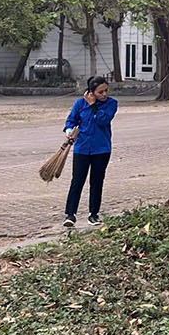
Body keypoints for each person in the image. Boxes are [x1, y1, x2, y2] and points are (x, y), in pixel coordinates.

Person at [63, 76, 118, 228]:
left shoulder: (111, 104)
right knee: (77, 180)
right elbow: (71, 120)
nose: (104, 94)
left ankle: (93, 214)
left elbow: (103, 120)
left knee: (96, 181)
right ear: (91, 92)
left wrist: (93, 105)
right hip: (82, 148)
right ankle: (70, 214)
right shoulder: (80, 103)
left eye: (106, 90)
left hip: (101, 148)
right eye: (100, 92)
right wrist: (69, 130)